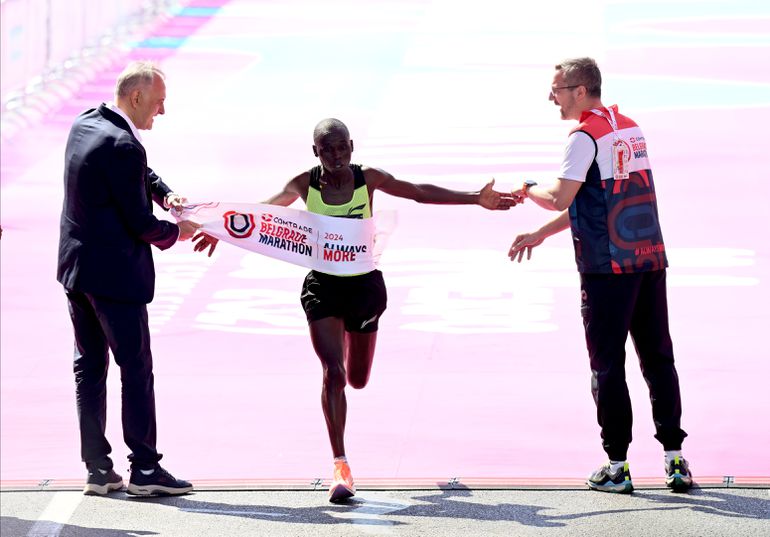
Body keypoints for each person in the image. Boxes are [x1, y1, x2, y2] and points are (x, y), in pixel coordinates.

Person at [193, 118, 515, 502]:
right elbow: (264, 211)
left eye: (341, 146)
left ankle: (347, 343)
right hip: (323, 286)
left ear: (351, 145)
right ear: (316, 152)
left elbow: (418, 192)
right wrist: (219, 227)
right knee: (334, 372)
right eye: (326, 149)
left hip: (363, 287)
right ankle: (340, 465)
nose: (335, 155)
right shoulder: (304, 183)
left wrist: (474, 196)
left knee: (358, 378)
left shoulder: (369, 179)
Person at [508, 57, 692, 493]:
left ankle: (617, 466)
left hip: (606, 270)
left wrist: (527, 188)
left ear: (579, 89)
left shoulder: (582, 136)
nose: (550, 97)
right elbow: (597, 199)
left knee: (607, 365)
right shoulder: (629, 127)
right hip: (648, 259)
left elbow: (559, 197)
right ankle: (675, 460)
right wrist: (541, 234)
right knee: (658, 357)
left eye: (556, 89)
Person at [57, 61, 205, 496]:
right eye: (159, 103)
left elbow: (131, 178)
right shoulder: (125, 146)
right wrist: (178, 230)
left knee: (89, 367)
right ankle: (144, 470)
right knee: (136, 369)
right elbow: (141, 223)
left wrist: (165, 192)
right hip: (114, 279)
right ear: (136, 97)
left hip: (76, 271)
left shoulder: (87, 123)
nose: (162, 112)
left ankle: (98, 470)